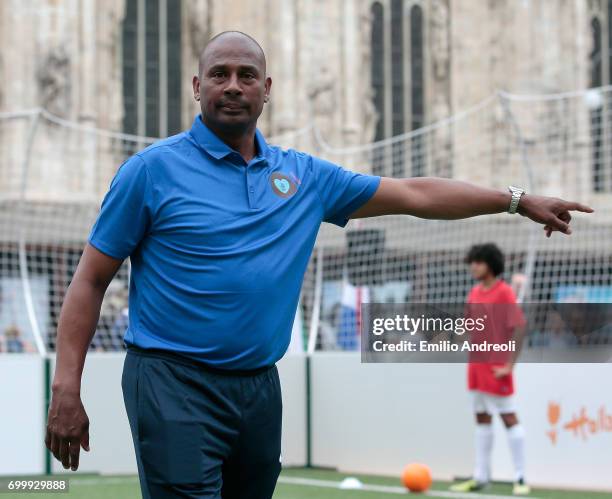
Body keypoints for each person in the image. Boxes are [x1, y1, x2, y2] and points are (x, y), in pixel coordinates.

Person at [45, 31, 593, 499]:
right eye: (218, 74)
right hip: (171, 382)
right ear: (197, 86)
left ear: (266, 89)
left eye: (246, 74)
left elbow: (415, 195)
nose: (232, 85)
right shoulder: (150, 172)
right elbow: (91, 280)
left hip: (259, 389)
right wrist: (66, 389)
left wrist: (516, 200)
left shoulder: (304, 177)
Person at [450, 243, 530, 495]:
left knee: (509, 417)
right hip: (476, 367)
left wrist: (509, 365)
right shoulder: (473, 293)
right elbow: (467, 327)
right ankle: (481, 477)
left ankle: (520, 479)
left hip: (497, 366)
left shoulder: (504, 292)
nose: (473, 266)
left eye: (479, 261)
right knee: (481, 419)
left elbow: (518, 327)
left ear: (490, 264)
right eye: (472, 261)